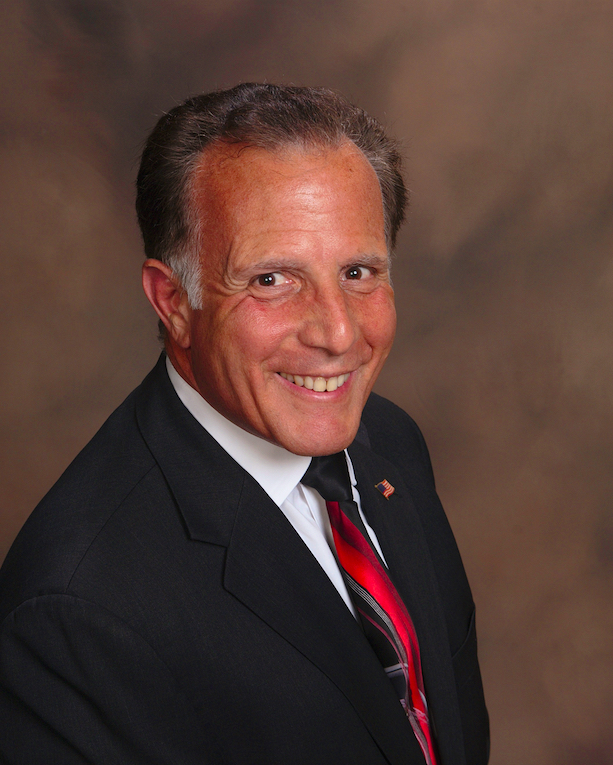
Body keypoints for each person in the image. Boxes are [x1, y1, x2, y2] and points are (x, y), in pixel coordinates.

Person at [0, 83, 489, 764]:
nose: (337, 332)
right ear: (173, 301)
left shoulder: (391, 443)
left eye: (357, 271)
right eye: (271, 280)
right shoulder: (76, 612)